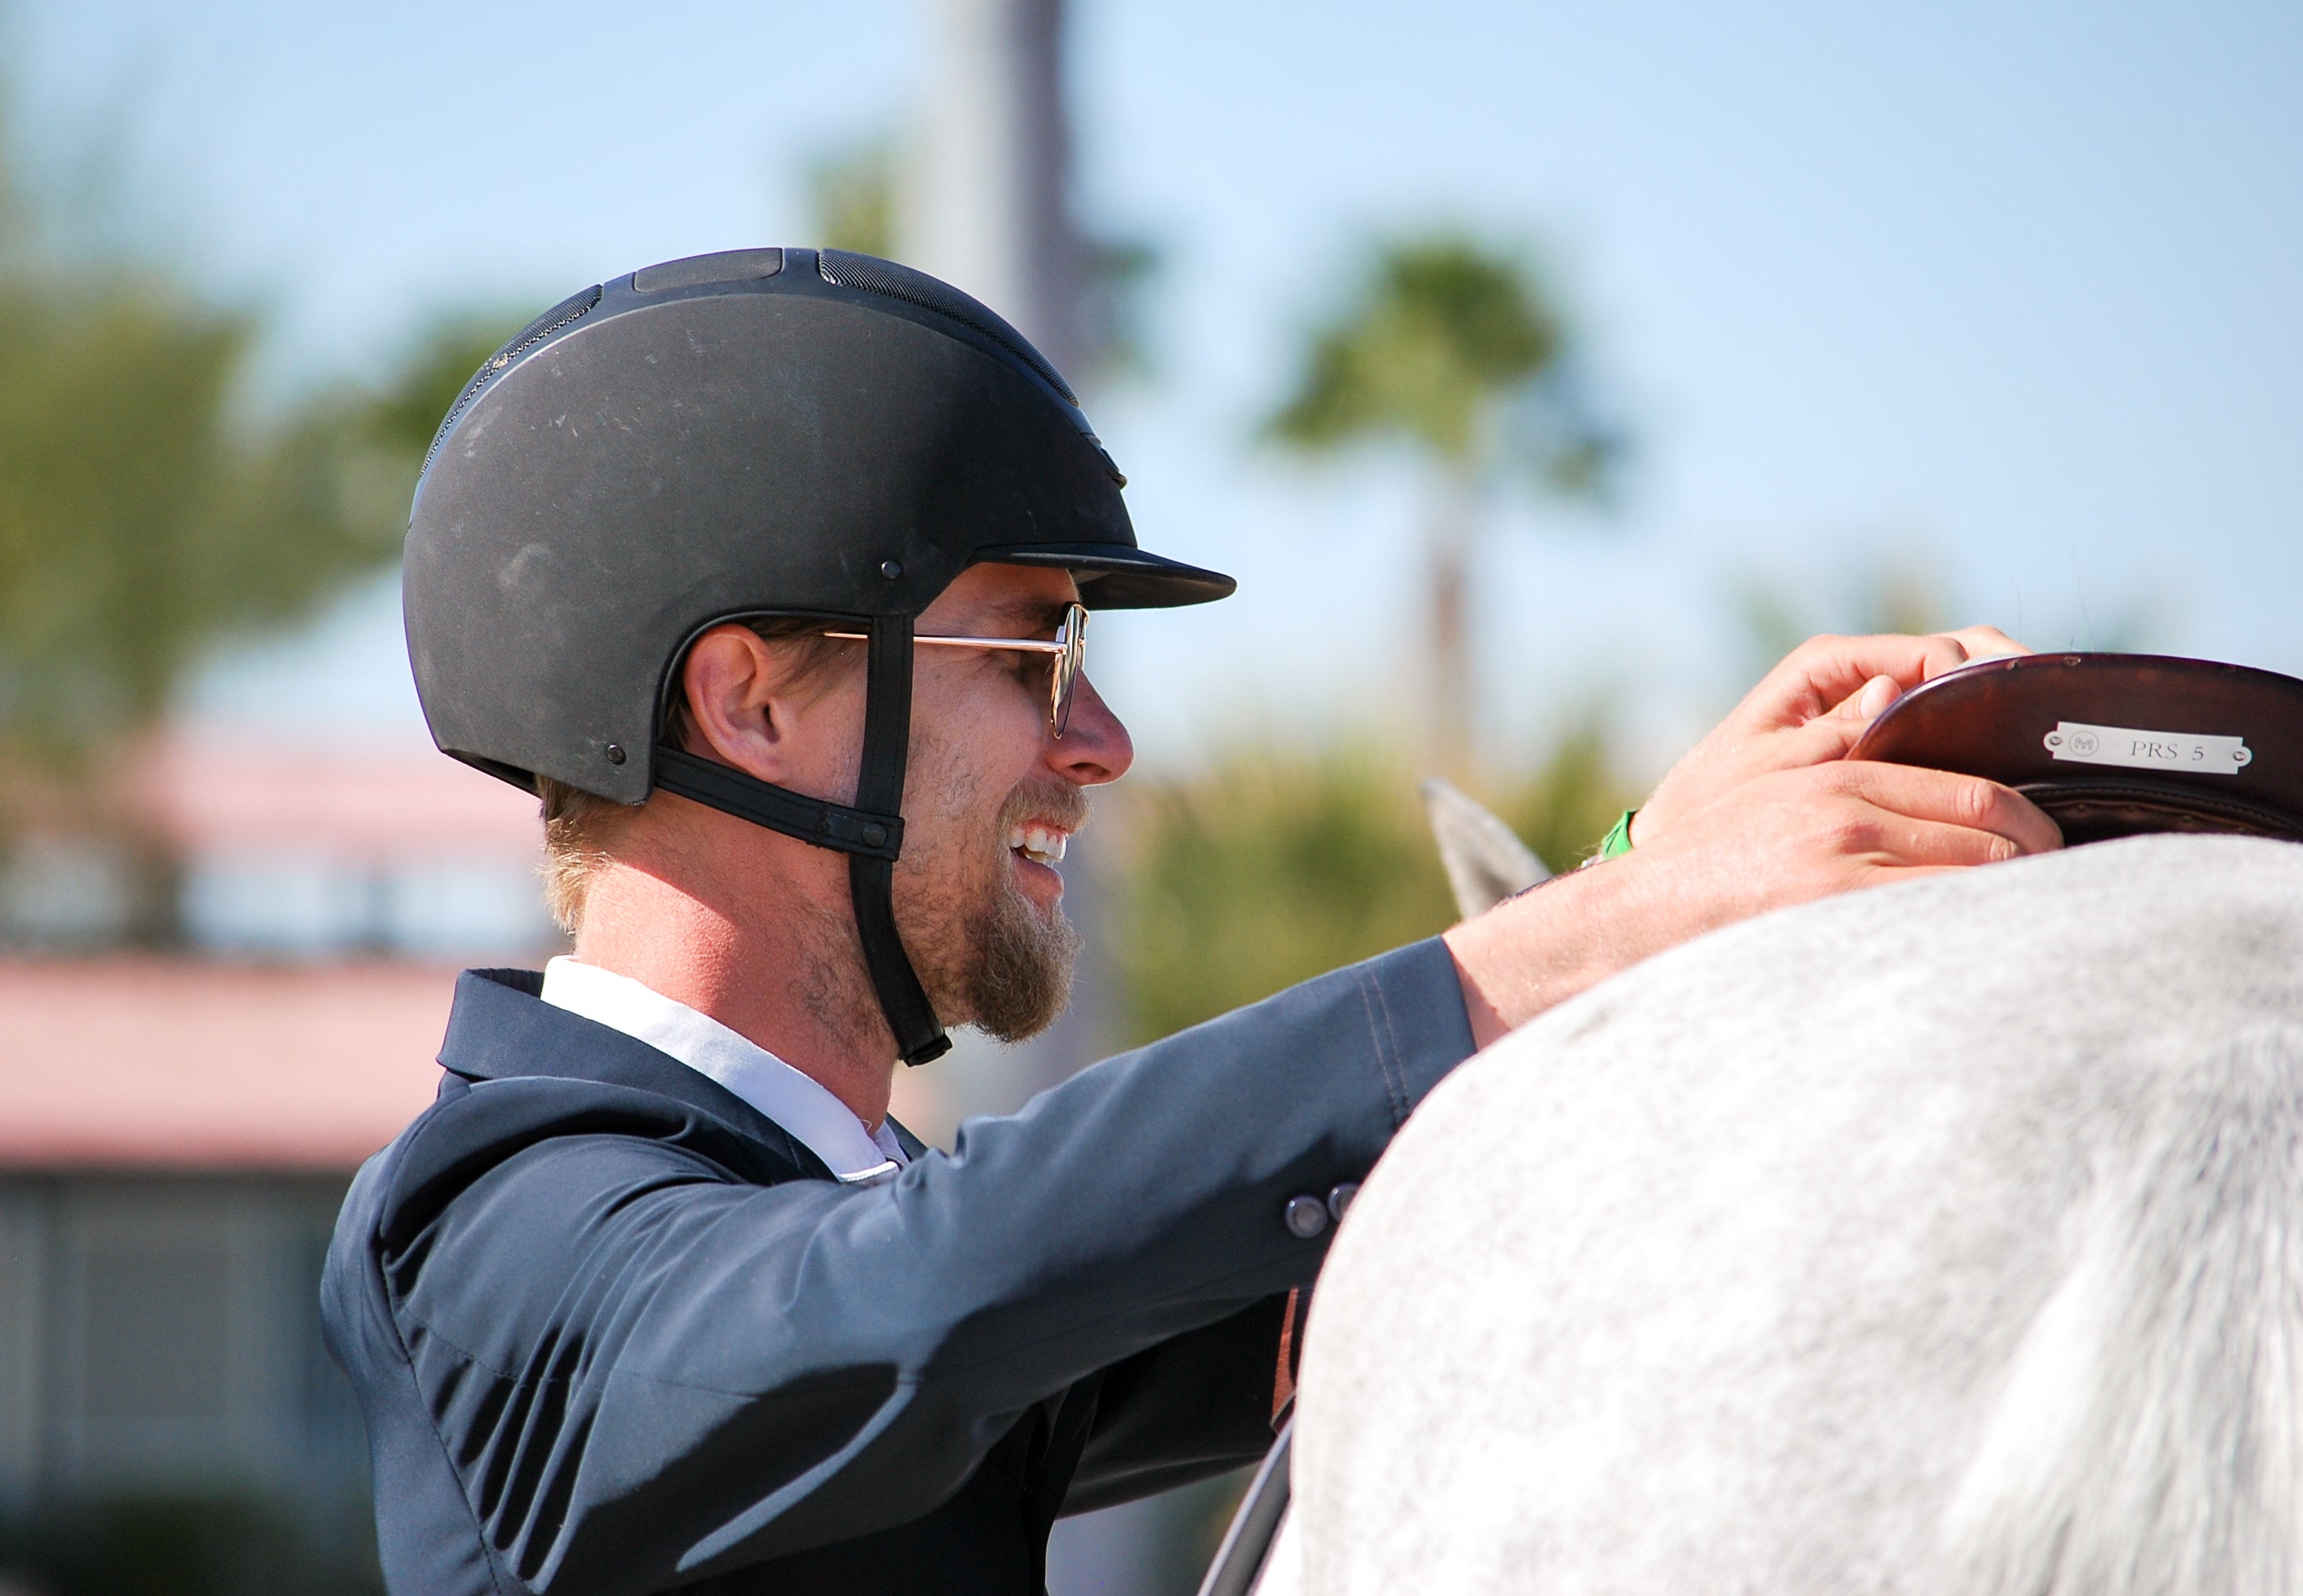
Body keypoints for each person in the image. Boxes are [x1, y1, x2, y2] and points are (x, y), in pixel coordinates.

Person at [321, 247, 2060, 1595]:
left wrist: (1650, 884)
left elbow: (1360, 1240)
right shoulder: (488, 1230)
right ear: (747, 702)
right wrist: (1579, 941)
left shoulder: (849, 1241)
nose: (1103, 743)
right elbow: (930, 1285)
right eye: (1033, 655)